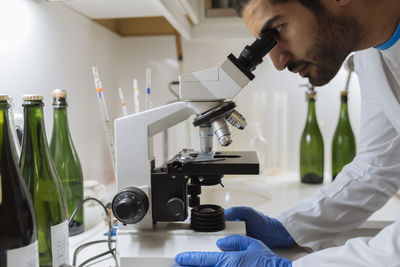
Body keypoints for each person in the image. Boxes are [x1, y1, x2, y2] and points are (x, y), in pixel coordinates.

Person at [175, 0, 400, 266]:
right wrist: (288, 227)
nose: (278, 62)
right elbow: (378, 165)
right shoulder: (370, 54)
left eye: (278, 30)